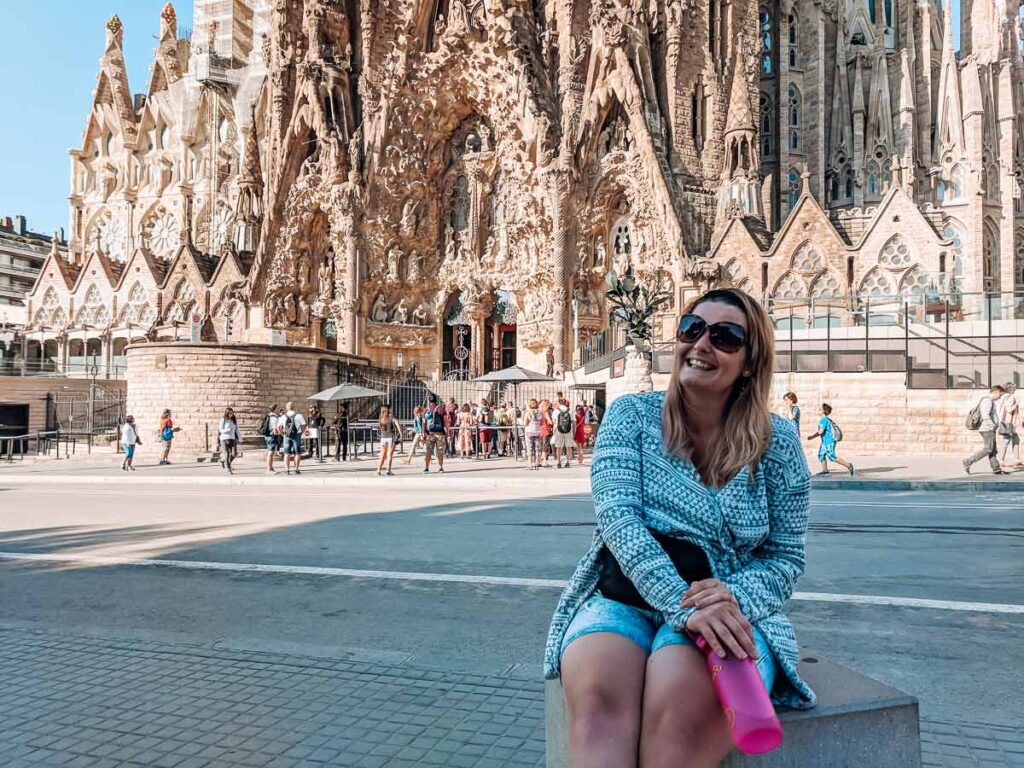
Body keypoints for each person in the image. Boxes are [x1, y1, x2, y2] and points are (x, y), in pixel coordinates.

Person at [545, 288, 815, 768]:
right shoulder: (631, 416)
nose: (702, 344)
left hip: (728, 608)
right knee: (597, 705)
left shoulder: (777, 443)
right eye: (691, 329)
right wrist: (680, 604)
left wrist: (730, 599)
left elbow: (786, 558)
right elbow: (618, 520)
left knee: (679, 713)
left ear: (751, 362)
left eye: (725, 336)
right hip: (622, 598)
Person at [964, 385, 1007, 475]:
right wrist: (992, 425)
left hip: (989, 428)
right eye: (1000, 395)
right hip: (987, 428)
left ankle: (996, 469)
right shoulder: (987, 400)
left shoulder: (989, 400)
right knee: (988, 449)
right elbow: (985, 415)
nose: (1000, 397)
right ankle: (969, 461)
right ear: (996, 392)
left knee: (992, 449)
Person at [806, 403, 854, 475]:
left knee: (831, 456)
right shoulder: (826, 419)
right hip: (824, 442)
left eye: (820, 409)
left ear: (823, 411)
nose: (818, 410)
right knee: (821, 455)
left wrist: (812, 437)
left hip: (829, 441)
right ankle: (825, 471)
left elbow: (820, 432)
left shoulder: (823, 420)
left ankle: (849, 465)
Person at [997, 383, 1022, 469]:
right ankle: (1001, 460)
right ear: (1011, 389)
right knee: (1006, 441)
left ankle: (1017, 459)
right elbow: (1009, 409)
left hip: (1006, 422)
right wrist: (1017, 403)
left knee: (1015, 439)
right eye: (1014, 388)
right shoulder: (1011, 397)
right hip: (1010, 423)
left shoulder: (1003, 398)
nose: (1015, 389)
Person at [423, 395, 448, 474]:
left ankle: (426, 468)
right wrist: (448, 432)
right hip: (440, 433)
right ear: (436, 400)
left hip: (430, 434)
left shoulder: (426, 410)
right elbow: (445, 422)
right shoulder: (441, 409)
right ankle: (440, 467)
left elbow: (424, 423)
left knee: (428, 451)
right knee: (440, 451)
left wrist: (423, 433)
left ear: (429, 401)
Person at [281, 401, 307, 476]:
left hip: (287, 435)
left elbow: (279, 427)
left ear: (287, 408)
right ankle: (296, 469)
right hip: (297, 435)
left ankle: (287, 469)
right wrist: (300, 433)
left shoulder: (283, 416)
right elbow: (304, 426)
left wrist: (282, 434)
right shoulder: (299, 415)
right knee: (297, 453)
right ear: (294, 407)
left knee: (287, 453)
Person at [376, 405, 401, 476]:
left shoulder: (381, 418)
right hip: (390, 437)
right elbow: (398, 424)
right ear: (388, 409)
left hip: (383, 438)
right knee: (389, 455)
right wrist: (401, 434)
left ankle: (378, 470)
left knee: (382, 455)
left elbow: (380, 427)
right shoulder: (391, 417)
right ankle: (388, 470)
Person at [552, 401, 575, 468]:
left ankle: (558, 462)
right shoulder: (571, 410)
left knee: (558, 447)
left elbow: (554, 421)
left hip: (559, 430)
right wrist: (574, 431)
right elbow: (574, 422)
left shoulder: (556, 411)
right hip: (568, 430)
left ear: (559, 403)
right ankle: (567, 462)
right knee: (568, 447)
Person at [218, 407, 241, 474]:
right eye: (229, 413)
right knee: (227, 454)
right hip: (224, 439)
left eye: (232, 413)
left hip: (232, 438)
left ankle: (223, 461)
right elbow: (220, 430)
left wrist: (240, 437)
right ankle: (228, 468)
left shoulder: (234, 420)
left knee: (234, 454)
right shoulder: (223, 420)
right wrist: (226, 430)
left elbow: (237, 429)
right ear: (226, 413)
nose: (231, 414)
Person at [261, 404, 282, 474]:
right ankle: (269, 469)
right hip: (271, 436)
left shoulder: (271, 416)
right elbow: (274, 428)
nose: (279, 409)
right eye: (278, 408)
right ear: (275, 409)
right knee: (271, 452)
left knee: (271, 452)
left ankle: (271, 467)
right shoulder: (273, 417)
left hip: (269, 435)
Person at [523, 398, 543, 470]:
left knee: (529, 448)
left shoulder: (527, 413)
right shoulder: (540, 413)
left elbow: (525, 423)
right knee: (537, 448)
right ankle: (537, 463)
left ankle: (530, 464)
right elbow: (541, 422)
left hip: (529, 432)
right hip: (537, 432)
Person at [538, 399, 554, 467]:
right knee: (545, 447)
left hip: (539, 430)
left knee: (540, 447)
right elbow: (550, 422)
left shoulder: (539, 412)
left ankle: (538, 461)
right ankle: (545, 461)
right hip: (545, 430)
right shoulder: (546, 412)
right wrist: (552, 422)